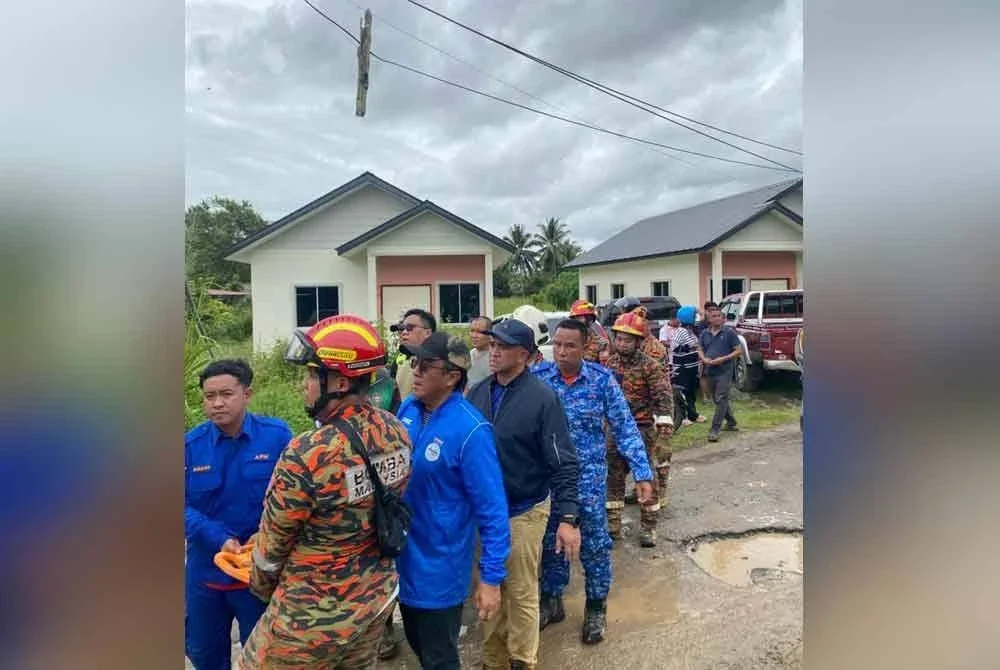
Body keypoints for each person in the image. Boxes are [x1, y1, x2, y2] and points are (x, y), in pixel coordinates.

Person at [238, 315, 413, 669]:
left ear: (338, 381)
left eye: (310, 375)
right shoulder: (396, 430)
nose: (304, 385)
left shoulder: (308, 453)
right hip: (374, 599)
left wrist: (260, 586)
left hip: (310, 617)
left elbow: (270, 553)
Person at [465, 318, 581, 670]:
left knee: (520, 592)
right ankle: (493, 659)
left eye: (503, 346)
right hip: (484, 513)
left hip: (524, 510)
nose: (494, 351)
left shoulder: (543, 399)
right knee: (488, 590)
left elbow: (564, 461)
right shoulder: (479, 391)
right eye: (493, 344)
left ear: (525, 355)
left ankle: (522, 659)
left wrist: (568, 518)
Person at [532, 318, 655, 645]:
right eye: (557, 344)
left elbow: (625, 427)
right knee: (550, 541)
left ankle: (596, 605)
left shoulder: (600, 381)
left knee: (596, 544)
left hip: (588, 479)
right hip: (549, 479)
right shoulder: (539, 379)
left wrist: (642, 472)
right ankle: (551, 599)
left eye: (569, 345)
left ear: (586, 346)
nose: (561, 351)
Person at [395, 331, 511, 670]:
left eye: (425, 365)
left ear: (451, 377)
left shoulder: (471, 431)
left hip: (439, 569)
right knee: (417, 645)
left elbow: (492, 511)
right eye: (414, 362)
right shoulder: (408, 411)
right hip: (401, 561)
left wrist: (490, 578)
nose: (414, 371)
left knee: (440, 659)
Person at [185, 359, 293, 670]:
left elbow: (292, 494)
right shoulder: (190, 447)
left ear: (247, 394)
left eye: (226, 394)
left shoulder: (276, 437)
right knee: (203, 653)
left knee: (262, 656)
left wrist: (268, 532)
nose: (217, 403)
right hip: (206, 574)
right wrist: (218, 538)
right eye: (209, 396)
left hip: (258, 574)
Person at [604, 310, 674, 547]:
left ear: (639, 341)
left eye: (628, 339)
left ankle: (648, 528)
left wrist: (664, 438)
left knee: (645, 477)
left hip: (642, 429)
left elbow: (664, 401)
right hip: (614, 431)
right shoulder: (610, 364)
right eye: (619, 338)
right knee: (612, 477)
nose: (622, 343)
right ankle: (612, 526)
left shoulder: (651, 367)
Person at [697, 305, 742, 442]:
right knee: (718, 399)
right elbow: (699, 348)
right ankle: (732, 422)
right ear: (709, 319)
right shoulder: (704, 333)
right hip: (710, 370)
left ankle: (714, 430)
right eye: (713, 316)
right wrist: (704, 359)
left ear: (723, 319)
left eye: (719, 316)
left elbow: (738, 350)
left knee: (721, 398)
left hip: (725, 371)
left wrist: (723, 359)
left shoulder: (729, 333)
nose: (716, 318)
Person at [390, 308, 437, 401]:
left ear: (427, 332)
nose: (403, 333)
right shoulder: (400, 359)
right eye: (401, 329)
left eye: (410, 328)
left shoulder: (440, 362)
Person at [671, 306, 707, 426]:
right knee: (683, 393)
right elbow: (674, 348)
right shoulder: (681, 332)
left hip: (692, 367)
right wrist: (691, 347)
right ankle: (683, 417)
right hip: (683, 368)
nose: (696, 318)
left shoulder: (690, 331)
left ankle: (693, 415)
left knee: (691, 392)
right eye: (694, 316)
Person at [568, 299, 610, 364]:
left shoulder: (602, 343)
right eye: (575, 318)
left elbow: (604, 368)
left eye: (579, 318)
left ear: (590, 319)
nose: (576, 322)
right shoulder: (567, 341)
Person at [467, 315, 493, 389]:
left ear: (490, 334)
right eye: (472, 331)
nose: (474, 336)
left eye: (479, 332)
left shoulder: (495, 356)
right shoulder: (468, 356)